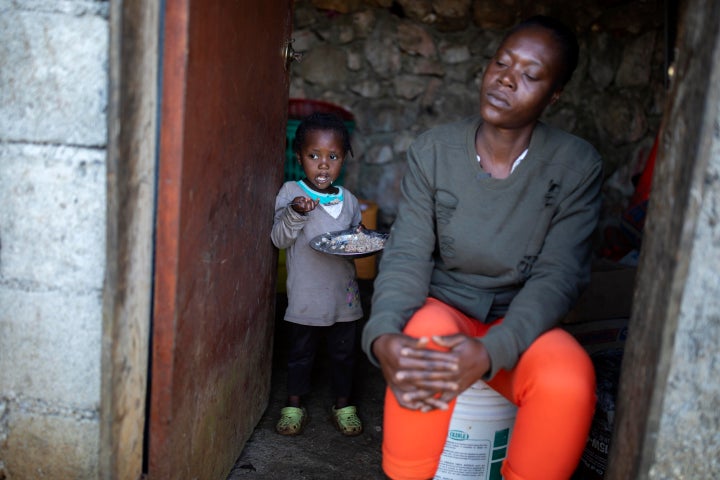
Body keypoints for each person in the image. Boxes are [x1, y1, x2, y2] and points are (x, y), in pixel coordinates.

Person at [361, 15, 602, 480]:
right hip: (446, 305)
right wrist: (382, 333)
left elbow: (559, 275)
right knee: (424, 341)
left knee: (568, 379)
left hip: (522, 323)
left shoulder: (576, 165)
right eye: (501, 63)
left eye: (530, 75)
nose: (508, 79)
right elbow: (407, 253)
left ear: (554, 95)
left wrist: (494, 349)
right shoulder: (433, 151)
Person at [271, 112, 364, 437]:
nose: (323, 165)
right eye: (314, 156)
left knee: (344, 354)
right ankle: (294, 404)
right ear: (299, 157)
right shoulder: (291, 193)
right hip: (306, 296)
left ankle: (344, 404)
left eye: (333, 156)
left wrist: (364, 242)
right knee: (300, 353)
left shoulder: (349, 200)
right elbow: (278, 239)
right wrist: (296, 212)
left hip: (344, 295)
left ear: (344, 160)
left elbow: (354, 239)